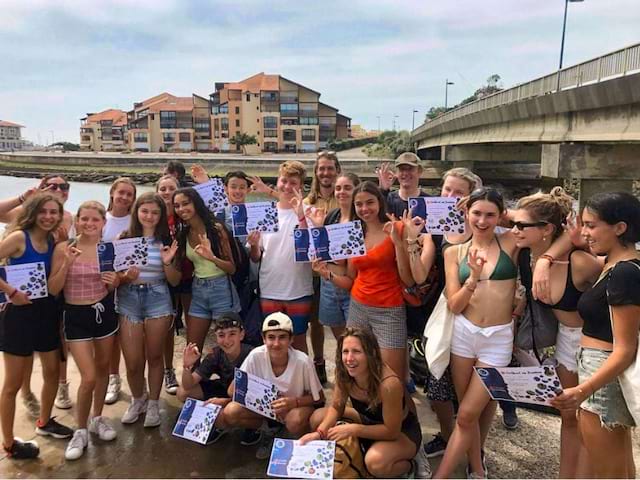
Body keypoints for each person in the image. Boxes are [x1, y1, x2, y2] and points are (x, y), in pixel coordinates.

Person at [513, 188, 601, 478]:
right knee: (569, 415)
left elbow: (619, 274)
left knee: (594, 419)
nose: (515, 229)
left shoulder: (576, 263)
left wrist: (584, 247)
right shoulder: (526, 255)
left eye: (522, 225)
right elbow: (500, 217)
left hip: (594, 344)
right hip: (564, 342)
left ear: (547, 229)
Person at [551, 192, 640, 478]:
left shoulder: (623, 273)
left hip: (601, 376)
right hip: (598, 372)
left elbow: (625, 348)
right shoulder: (616, 265)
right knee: (619, 468)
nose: (584, 233)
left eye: (591, 225)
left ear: (620, 227)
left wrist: (582, 390)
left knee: (609, 473)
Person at [435, 187, 519, 479]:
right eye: (476, 213)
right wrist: (471, 277)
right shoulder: (453, 252)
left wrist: (507, 213)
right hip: (464, 334)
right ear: (466, 214)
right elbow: (455, 305)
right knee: (469, 412)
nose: (482, 221)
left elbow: (541, 223)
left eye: (490, 214)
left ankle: (446, 475)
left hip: (498, 337)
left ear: (500, 216)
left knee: (470, 413)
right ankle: (476, 465)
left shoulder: (510, 241)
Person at [403, 167, 481, 458]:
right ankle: (448, 437)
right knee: (437, 384)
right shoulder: (432, 227)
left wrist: (474, 211)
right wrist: (412, 239)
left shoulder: (482, 224)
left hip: (476, 317)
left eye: (459, 192)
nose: (450, 197)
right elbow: (420, 275)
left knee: (472, 390)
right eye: (447, 190)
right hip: (438, 316)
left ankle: (473, 448)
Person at [0, 193, 73, 459]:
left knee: (52, 371)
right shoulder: (19, 237)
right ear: (33, 212)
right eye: (43, 211)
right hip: (18, 314)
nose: (49, 217)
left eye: (54, 212)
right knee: (12, 383)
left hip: (47, 312)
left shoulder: (54, 240)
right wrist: (9, 291)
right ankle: (8, 443)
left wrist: (65, 246)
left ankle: (44, 421)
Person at [300, 327, 425, 478]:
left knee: (375, 463)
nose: (349, 358)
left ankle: (411, 463)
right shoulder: (343, 372)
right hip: (367, 420)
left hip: (401, 432)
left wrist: (353, 430)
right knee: (318, 417)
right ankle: (362, 450)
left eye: (356, 351)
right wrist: (319, 434)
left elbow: (392, 431)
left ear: (371, 353)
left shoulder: (389, 384)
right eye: (345, 351)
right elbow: (336, 407)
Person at [48, 201, 120, 460]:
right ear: (76, 220)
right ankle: (80, 430)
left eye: (95, 219)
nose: (89, 223)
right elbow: (54, 289)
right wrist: (66, 264)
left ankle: (97, 418)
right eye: (84, 219)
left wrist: (116, 281)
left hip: (103, 313)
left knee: (102, 369)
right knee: (88, 377)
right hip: (75, 314)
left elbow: (114, 284)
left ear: (103, 223)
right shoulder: (64, 248)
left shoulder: (108, 249)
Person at [321, 181, 413, 380]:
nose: (364, 209)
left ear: (380, 202)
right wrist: (327, 273)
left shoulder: (396, 228)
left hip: (390, 310)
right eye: (359, 204)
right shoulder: (355, 234)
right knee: (357, 374)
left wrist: (398, 243)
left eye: (369, 202)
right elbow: (351, 280)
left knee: (392, 378)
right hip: (358, 307)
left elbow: (408, 278)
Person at [217, 312, 324, 459]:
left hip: (294, 409)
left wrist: (294, 402)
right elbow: (232, 390)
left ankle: (299, 443)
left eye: (282, 337)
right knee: (230, 412)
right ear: (263, 339)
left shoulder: (303, 361)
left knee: (294, 421)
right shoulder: (256, 356)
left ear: (291, 339)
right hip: (266, 410)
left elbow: (319, 399)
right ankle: (268, 430)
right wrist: (229, 399)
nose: (276, 344)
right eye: (271, 337)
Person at [116, 192, 181, 427]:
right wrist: (126, 276)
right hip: (128, 299)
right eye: (145, 211)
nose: (150, 216)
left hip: (158, 297)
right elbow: (116, 277)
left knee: (155, 356)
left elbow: (174, 281)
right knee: (133, 361)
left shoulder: (167, 240)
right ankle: (138, 399)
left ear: (161, 215)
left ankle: (153, 402)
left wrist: (167, 262)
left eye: (155, 212)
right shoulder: (124, 237)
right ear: (137, 212)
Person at [247, 161, 314, 353]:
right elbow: (256, 257)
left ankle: (303, 382)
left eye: (293, 182)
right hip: (269, 289)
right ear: (277, 181)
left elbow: (309, 250)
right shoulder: (265, 213)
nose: (287, 186)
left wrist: (301, 217)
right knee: (271, 343)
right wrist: (253, 245)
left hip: (299, 289)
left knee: (299, 341)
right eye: (284, 181)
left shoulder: (308, 213)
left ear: (300, 186)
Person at [173, 187, 240, 352]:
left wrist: (212, 257)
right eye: (177, 206)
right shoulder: (184, 233)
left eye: (185, 203)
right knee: (192, 349)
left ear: (196, 203)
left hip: (221, 289)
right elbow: (176, 274)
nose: (181, 209)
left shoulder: (216, 229)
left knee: (229, 349)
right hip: (198, 289)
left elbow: (231, 268)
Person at [177, 312, 253, 443]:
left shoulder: (252, 355)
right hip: (225, 387)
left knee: (230, 411)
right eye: (221, 335)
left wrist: (223, 401)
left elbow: (256, 393)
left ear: (242, 334)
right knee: (182, 392)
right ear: (216, 337)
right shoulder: (216, 353)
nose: (227, 340)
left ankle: (252, 427)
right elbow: (188, 385)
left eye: (232, 334)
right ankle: (211, 420)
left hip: (248, 397)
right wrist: (187, 366)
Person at [303, 151, 341, 385]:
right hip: (312, 270)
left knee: (343, 324)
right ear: (316, 173)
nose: (326, 173)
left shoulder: (346, 199)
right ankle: (319, 362)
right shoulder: (307, 204)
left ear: (338, 170)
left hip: (339, 270)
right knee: (315, 321)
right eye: (321, 168)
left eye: (330, 168)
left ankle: (345, 364)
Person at [311, 172, 360, 341]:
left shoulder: (362, 218)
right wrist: (318, 226)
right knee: (340, 339)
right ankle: (343, 366)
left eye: (347, 188)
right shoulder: (332, 216)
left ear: (356, 190)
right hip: (329, 284)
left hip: (352, 285)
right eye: (338, 188)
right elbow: (324, 249)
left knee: (356, 338)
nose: (342, 192)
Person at [103, 177, 137, 406]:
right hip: (101, 286)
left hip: (128, 284)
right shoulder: (100, 219)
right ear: (112, 193)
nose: (124, 197)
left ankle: (135, 382)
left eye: (129, 194)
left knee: (130, 338)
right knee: (111, 338)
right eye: (121, 192)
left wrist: (124, 277)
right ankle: (113, 378)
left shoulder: (135, 221)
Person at [156, 174, 188, 395]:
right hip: (163, 277)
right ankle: (169, 370)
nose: (167, 192)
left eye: (171, 189)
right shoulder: (153, 217)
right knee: (168, 326)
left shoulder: (184, 214)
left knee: (193, 324)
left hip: (188, 276)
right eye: (163, 189)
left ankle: (192, 370)